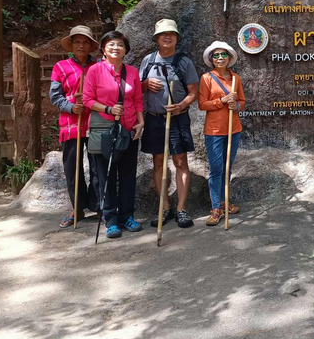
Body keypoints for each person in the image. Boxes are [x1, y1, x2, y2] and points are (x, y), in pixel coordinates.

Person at [83, 31, 145, 239]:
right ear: (103, 49)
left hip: (128, 130)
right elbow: (87, 100)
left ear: (126, 49)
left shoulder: (132, 72)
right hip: (104, 130)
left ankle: (127, 216)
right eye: (111, 45)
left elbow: (136, 98)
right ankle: (110, 219)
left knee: (128, 175)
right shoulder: (95, 71)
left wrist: (140, 121)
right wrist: (108, 109)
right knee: (106, 175)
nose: (115, 48)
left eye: (120, 45)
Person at [140, 19, 198, 228]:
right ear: (156, 38)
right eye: (163, 34)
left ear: (176, 37)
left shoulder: (184, 62)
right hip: (154, 119)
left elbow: (194, 93)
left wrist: (181, 105)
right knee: (158, 162)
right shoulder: (148, 60)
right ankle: (164, 207)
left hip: (178, 119)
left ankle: (181, 208)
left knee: (180, 161)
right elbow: (136, 91)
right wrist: (145, 84)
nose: (167, 37)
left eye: (171, 34)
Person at [51, 25, 99, 228]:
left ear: (90, 46)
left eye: (85, 42)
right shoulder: (60, 67)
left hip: (95, 124)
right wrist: (71, 107)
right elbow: (55, 96)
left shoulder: (98, 66)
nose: (81, 45)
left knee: (98, 167)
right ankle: (77, 209)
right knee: (73, 169)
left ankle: (99, 207)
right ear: (71, 45)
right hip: (71, 125)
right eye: (77, 42)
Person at [198, 41, 246, 227]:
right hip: (215, 130)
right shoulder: (206, 78)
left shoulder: (236, 79)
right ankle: (215, 207)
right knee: (216, 169)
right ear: (211, 59)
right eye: (216, 55)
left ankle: (225, 202)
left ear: (229, 57)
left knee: (228, 167)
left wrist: (237, 105)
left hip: (233, 128)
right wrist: (222, 100)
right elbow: (202, 104)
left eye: (223, 55)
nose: (220, 58)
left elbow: (242, 101)